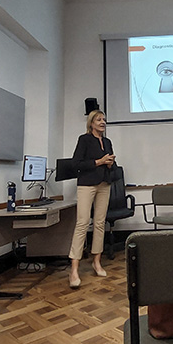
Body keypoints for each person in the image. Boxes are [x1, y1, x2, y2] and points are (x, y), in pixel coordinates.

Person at [68, 109, 116, 288]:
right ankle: (74, 269)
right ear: (91, 123)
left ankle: (97, 262)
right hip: (87, 184)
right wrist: (99, 162)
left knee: (99, 223)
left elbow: (112, 164)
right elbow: (76, 164)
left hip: (104, 184)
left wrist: (110, 163)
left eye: (104, 119)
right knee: (82, 223)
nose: (103, 122)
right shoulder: (84, 139)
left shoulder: (108, 141)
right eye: (98, 119)